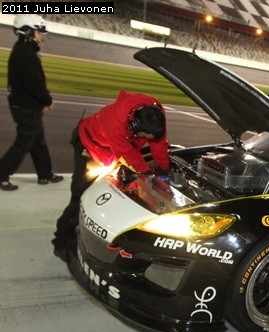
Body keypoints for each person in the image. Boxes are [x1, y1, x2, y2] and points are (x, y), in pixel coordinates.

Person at [52, 90, 170, 262]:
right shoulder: (115, 121)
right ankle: (60, 242)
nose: (147, 139)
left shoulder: (155, 118)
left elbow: (159, 146)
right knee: (80, 195)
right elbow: (128, 155)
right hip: (89, 147)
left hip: (111, 152)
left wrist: (164, 170)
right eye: (144, 137)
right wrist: (147, 174)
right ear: (134, 126)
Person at [0, 14, 63, 191]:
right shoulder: (25, 52)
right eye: (39, 31)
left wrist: (41, 101)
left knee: (37, 141)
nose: (42, 34)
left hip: (28, 105)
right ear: (28, 31)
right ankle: (1, 174)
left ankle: (45, 174)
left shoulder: (26, 49)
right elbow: (34, 83)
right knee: (24, 142)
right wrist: (47, 100)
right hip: (25, 106)